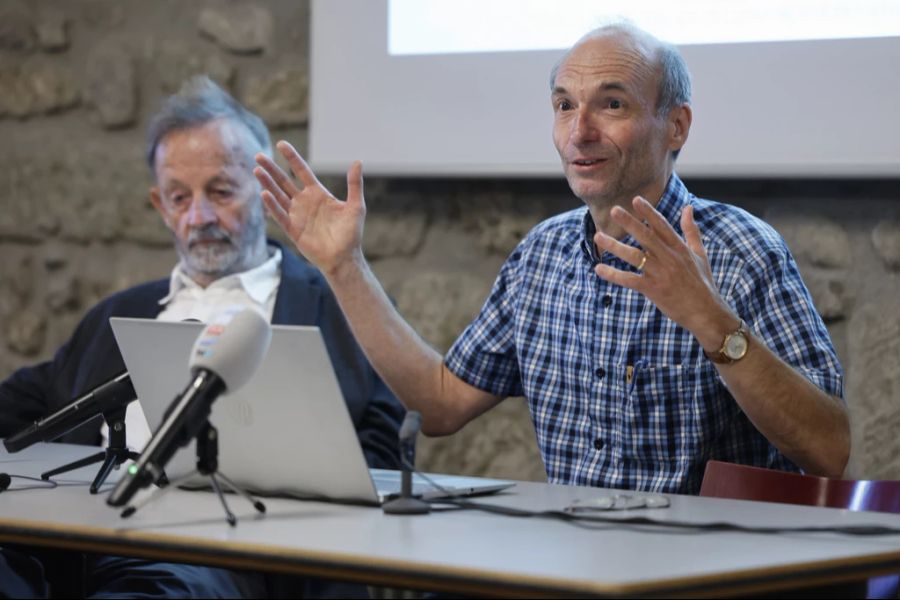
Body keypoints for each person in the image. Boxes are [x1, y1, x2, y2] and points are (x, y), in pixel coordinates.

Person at [253, 23, 849, 496]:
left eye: (610, 104)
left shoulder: (743, 251)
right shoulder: (541, 255)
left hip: (709, 572)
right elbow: (438, 404)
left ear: (676, 126)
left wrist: (712, 321)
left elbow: (829, 452)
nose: (579, 132)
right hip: (571, 568)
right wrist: (344, 266)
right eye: (565, 106)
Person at [0, 76, 404, 598]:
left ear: (266, 190)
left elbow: (384, 453)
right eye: (179, 197)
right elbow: (23, 404)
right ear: (158, 204)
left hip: (219, 548)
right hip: (73, 536)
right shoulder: (117, 316)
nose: (200, 217)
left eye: (220, 191)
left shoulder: (338, 309)